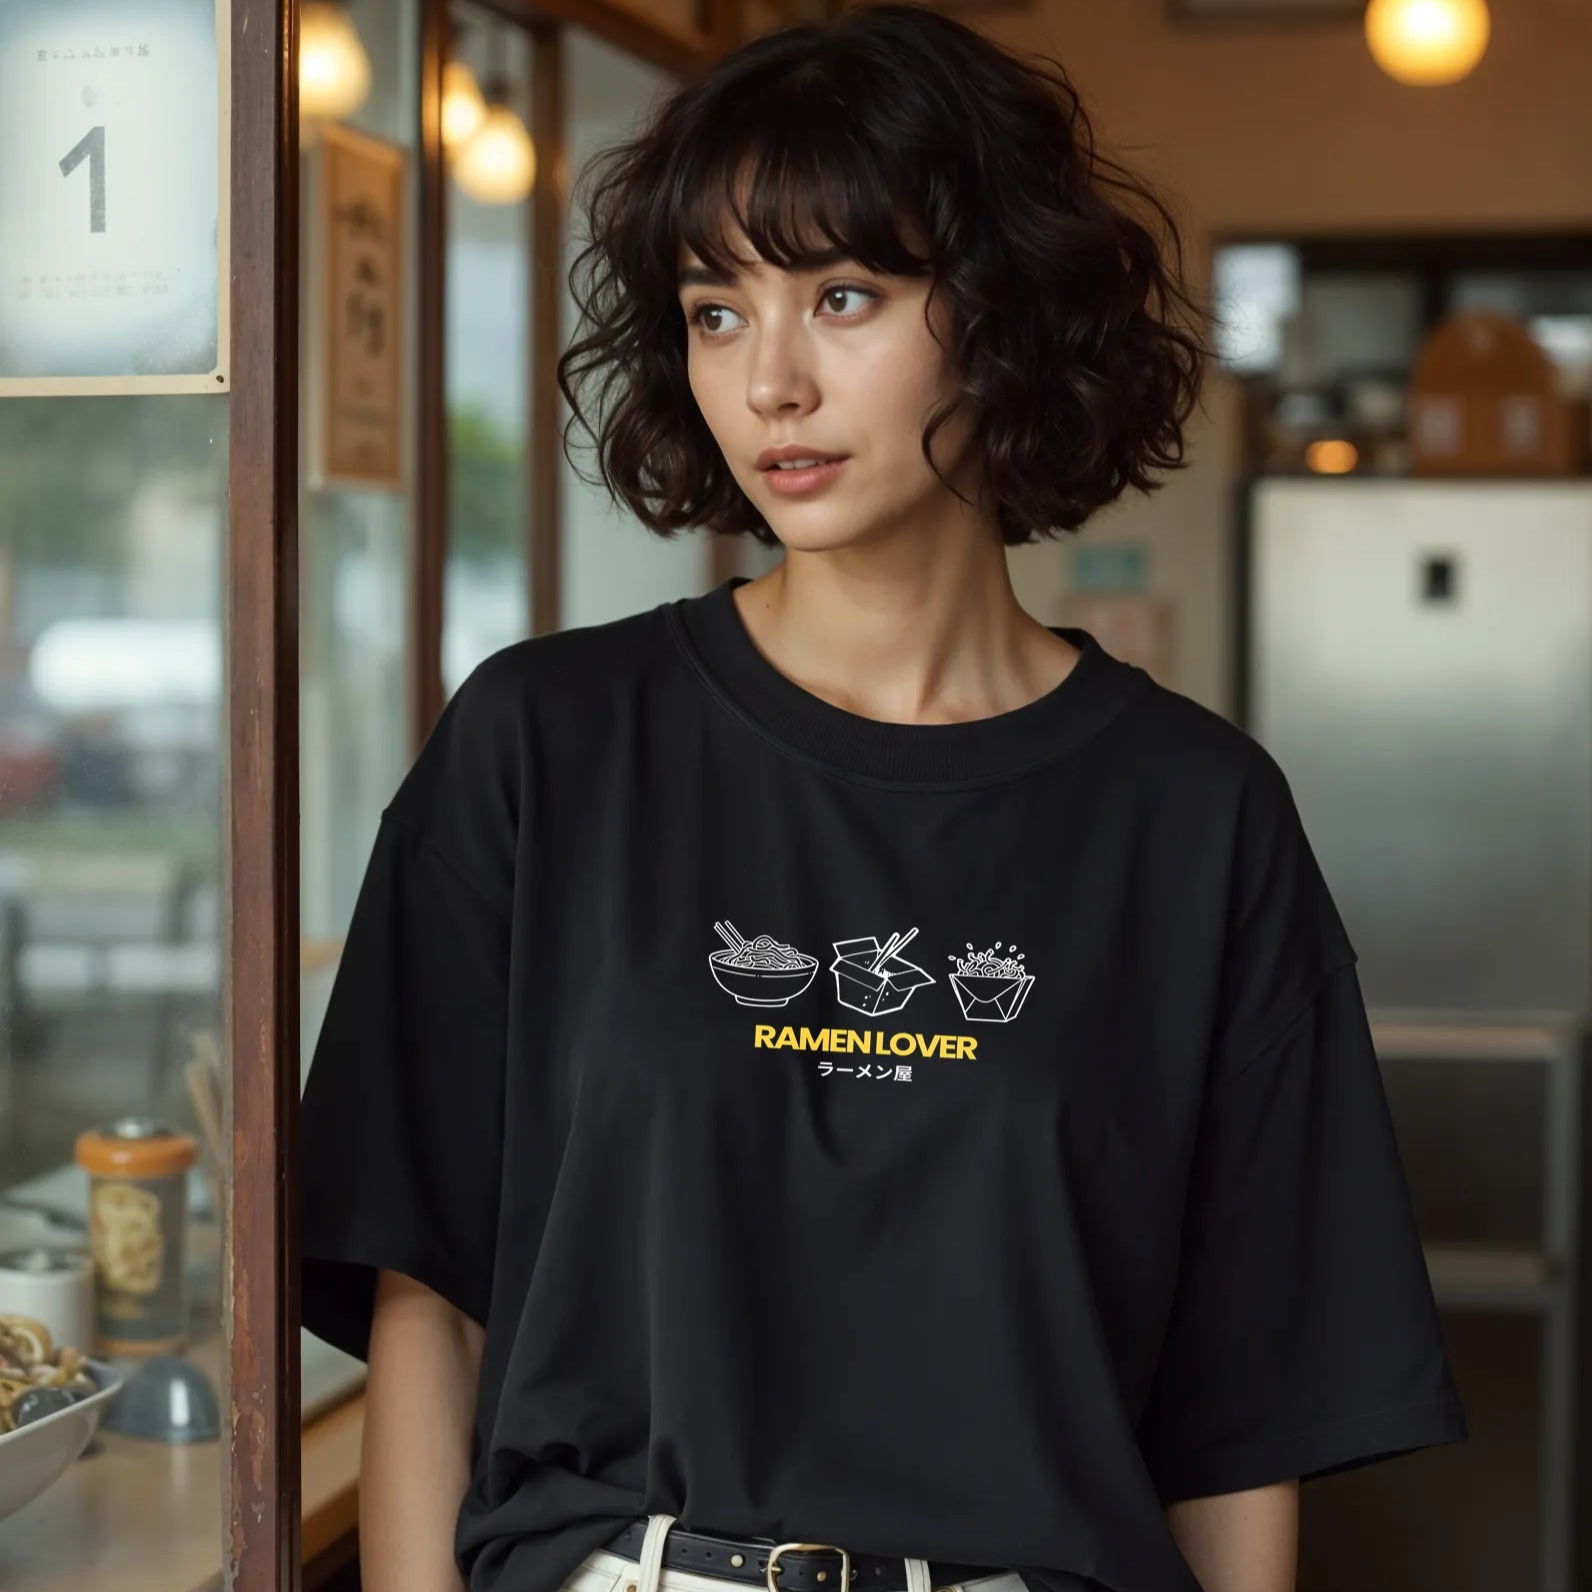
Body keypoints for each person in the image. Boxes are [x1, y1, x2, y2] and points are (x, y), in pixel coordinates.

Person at [298, 6, 1468, 1592]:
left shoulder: (1194, 818)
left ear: (1003, 309)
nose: (770, 381)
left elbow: (1243, 1410)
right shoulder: (545, 748)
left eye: (843, 296)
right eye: (716, 312)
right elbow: (427, 1301)